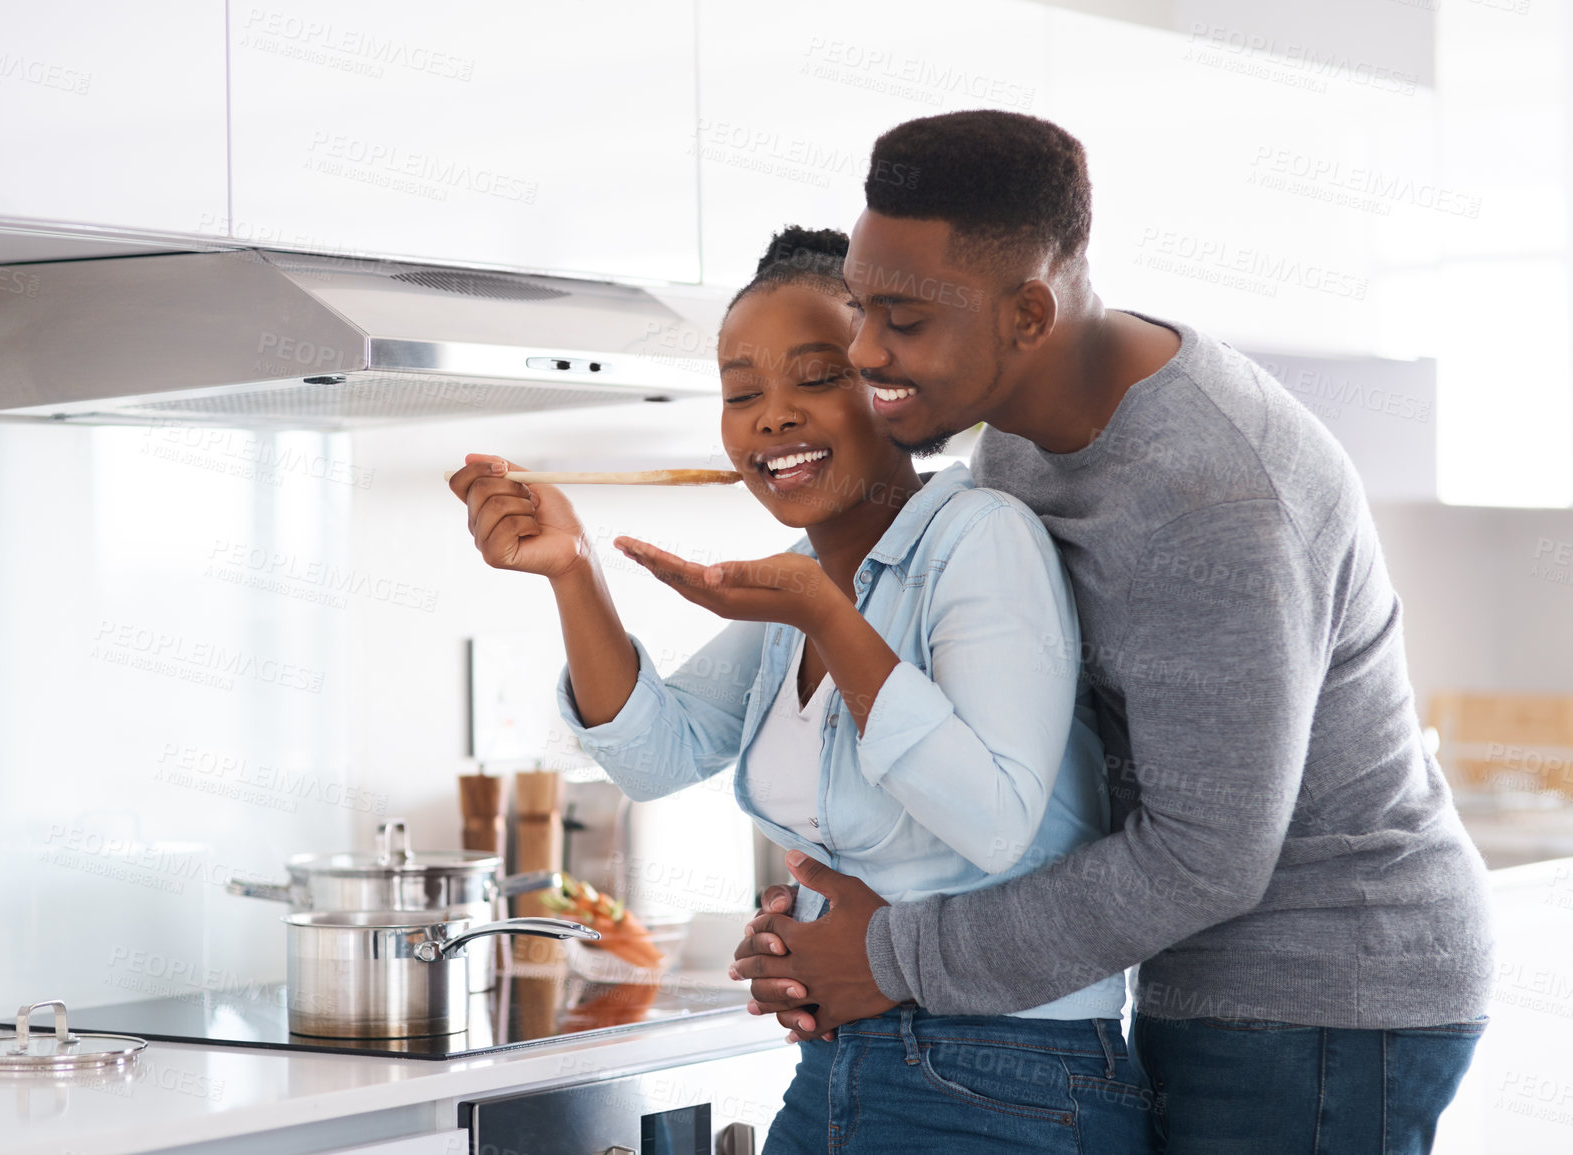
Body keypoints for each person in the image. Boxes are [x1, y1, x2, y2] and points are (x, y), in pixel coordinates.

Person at [729, 112, 1493, 1153]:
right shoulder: (1014, 446)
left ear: (1028, 313)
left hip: (1327, 984)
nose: (865, 352)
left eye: (901, 318)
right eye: (862, 308)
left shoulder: (1210, 498)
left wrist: (896, 955)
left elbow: (1208, 859)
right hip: (1200, 971)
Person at [449, 227, 1151, 1153]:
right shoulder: (801, 575)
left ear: (889, 389)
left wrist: (827, 618)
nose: (771, 416)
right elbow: (657, 754)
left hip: (1007, 1070)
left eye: (816, 377)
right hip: (844, 1059)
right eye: (742, 393)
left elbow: (993, 818)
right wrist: (573, 571)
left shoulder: (979, 539)